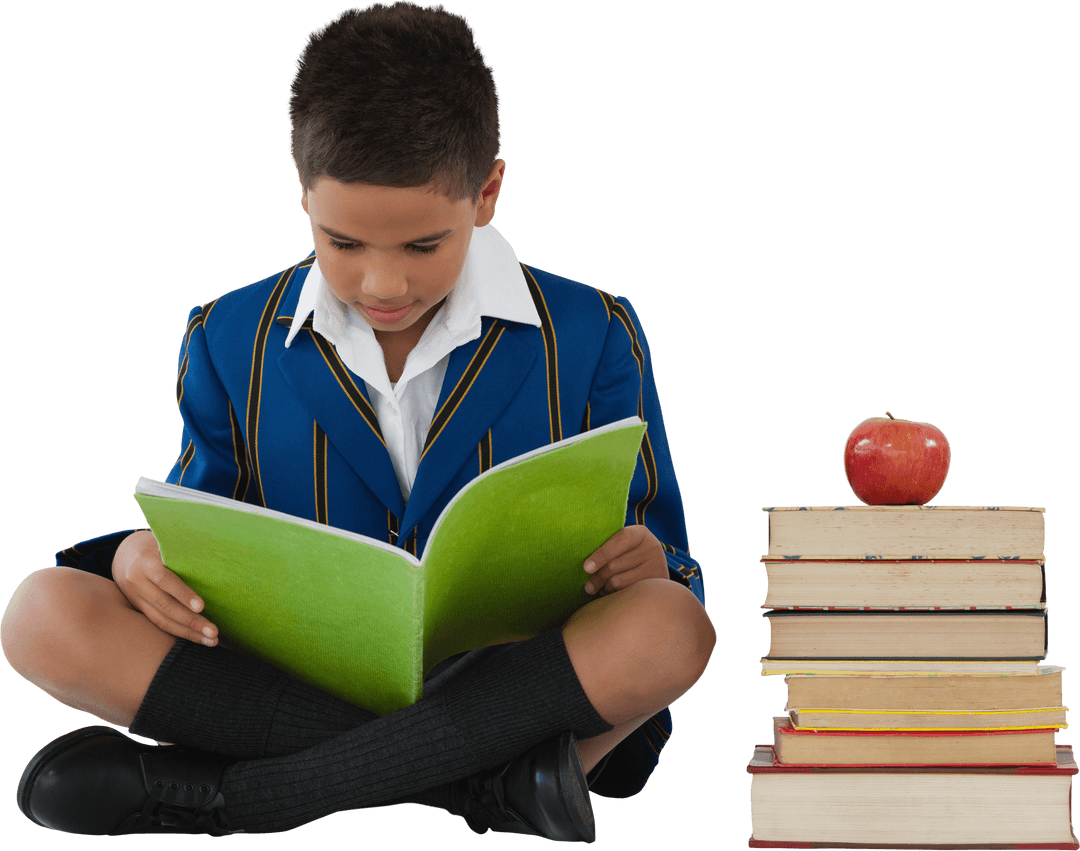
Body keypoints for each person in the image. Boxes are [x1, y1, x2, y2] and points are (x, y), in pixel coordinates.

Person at [0, 2, 714, 841]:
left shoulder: (592, 332)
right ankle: (489, 789)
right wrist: (137, 559)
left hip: (518, 682)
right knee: (40, 611)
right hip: (291, 684)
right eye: (343, 243)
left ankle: (239, 797)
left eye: (420, 246)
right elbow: (206, 542)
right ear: (302, 192)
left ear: (485, 193)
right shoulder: (229, 337)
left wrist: (650, 563)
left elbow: (672, 563)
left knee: (674, 627)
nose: (381, 284)